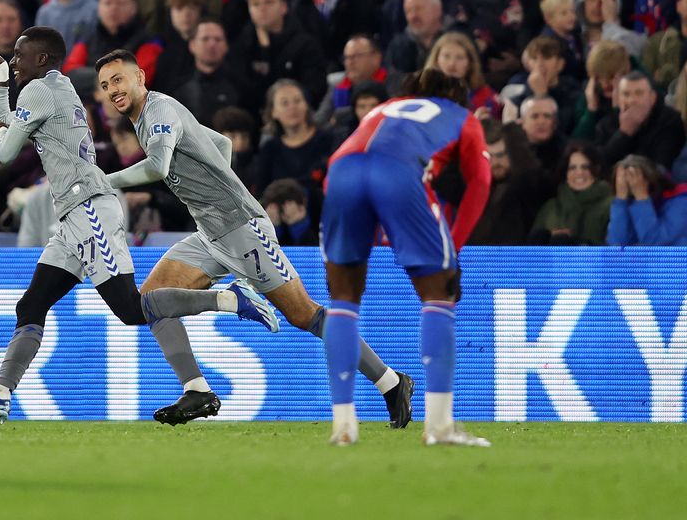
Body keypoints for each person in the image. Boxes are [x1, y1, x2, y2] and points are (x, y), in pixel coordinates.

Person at [0, 27, 274, 425]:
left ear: (44, 59)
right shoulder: (59, 89)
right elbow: (12, 128)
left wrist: (0, 89)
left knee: (132, 310)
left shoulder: (37, 91)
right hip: (73, 215)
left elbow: (4, 151)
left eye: (19, 56)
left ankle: (229, 299)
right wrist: (2, 85)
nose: (14, 61)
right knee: (31, 304)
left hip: (88, 211)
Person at [97, 49, 413, 426]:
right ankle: (197, 389)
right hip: (211, 232)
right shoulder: (149, 116)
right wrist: (216, 184)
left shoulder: (158, 111)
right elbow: (222, 146)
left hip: (242, 229)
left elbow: (159, 165)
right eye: (104, 85)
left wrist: (105, 181)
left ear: (140, 78)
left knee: (303, 314)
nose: (112, 89)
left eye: (118, 79)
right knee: (148, 301)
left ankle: (391, 382)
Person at [322, 68, 492, 447]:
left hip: (341, 172)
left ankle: (344, 426)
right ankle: (440, 427)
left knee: (343, 300)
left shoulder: (384, 108)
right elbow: (480, 182)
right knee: (438, 295)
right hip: (398, 173)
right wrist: (454, 249)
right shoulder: (461, 117)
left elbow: (351, 159)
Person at [530, 142, 613, 245]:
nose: (579, 173)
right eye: (572, 168)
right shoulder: (550, 207)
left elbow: (616, 250)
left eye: (585, 167)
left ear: (597, 170)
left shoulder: (611, 206)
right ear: (565, 172)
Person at [607, 153, 687, 245]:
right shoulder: (628, 202)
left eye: (635, 183)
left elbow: (655, 244)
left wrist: (642, 198)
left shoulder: (681, 202)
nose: (632, 190)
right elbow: (617, 245)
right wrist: (620, 200)